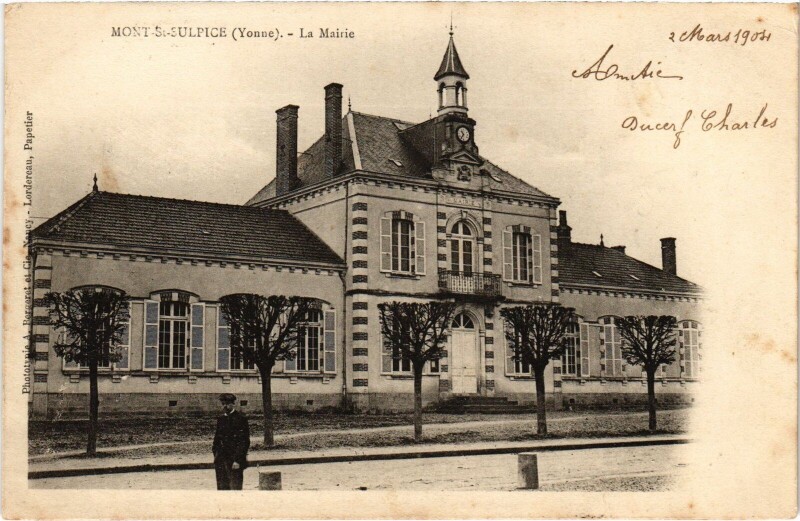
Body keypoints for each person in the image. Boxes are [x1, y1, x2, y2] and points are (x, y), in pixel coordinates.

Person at [212, 393, 250, 490]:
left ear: (233, 404)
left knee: (235, 488)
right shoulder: (221, 419)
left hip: (234, 460)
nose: (225, 406)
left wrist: (237, 460)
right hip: (221, 459)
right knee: (222, 488)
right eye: (223, 404)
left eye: (227, 404)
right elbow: (217, 439)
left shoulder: (241, 419)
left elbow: (244, 441)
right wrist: (216, 454)